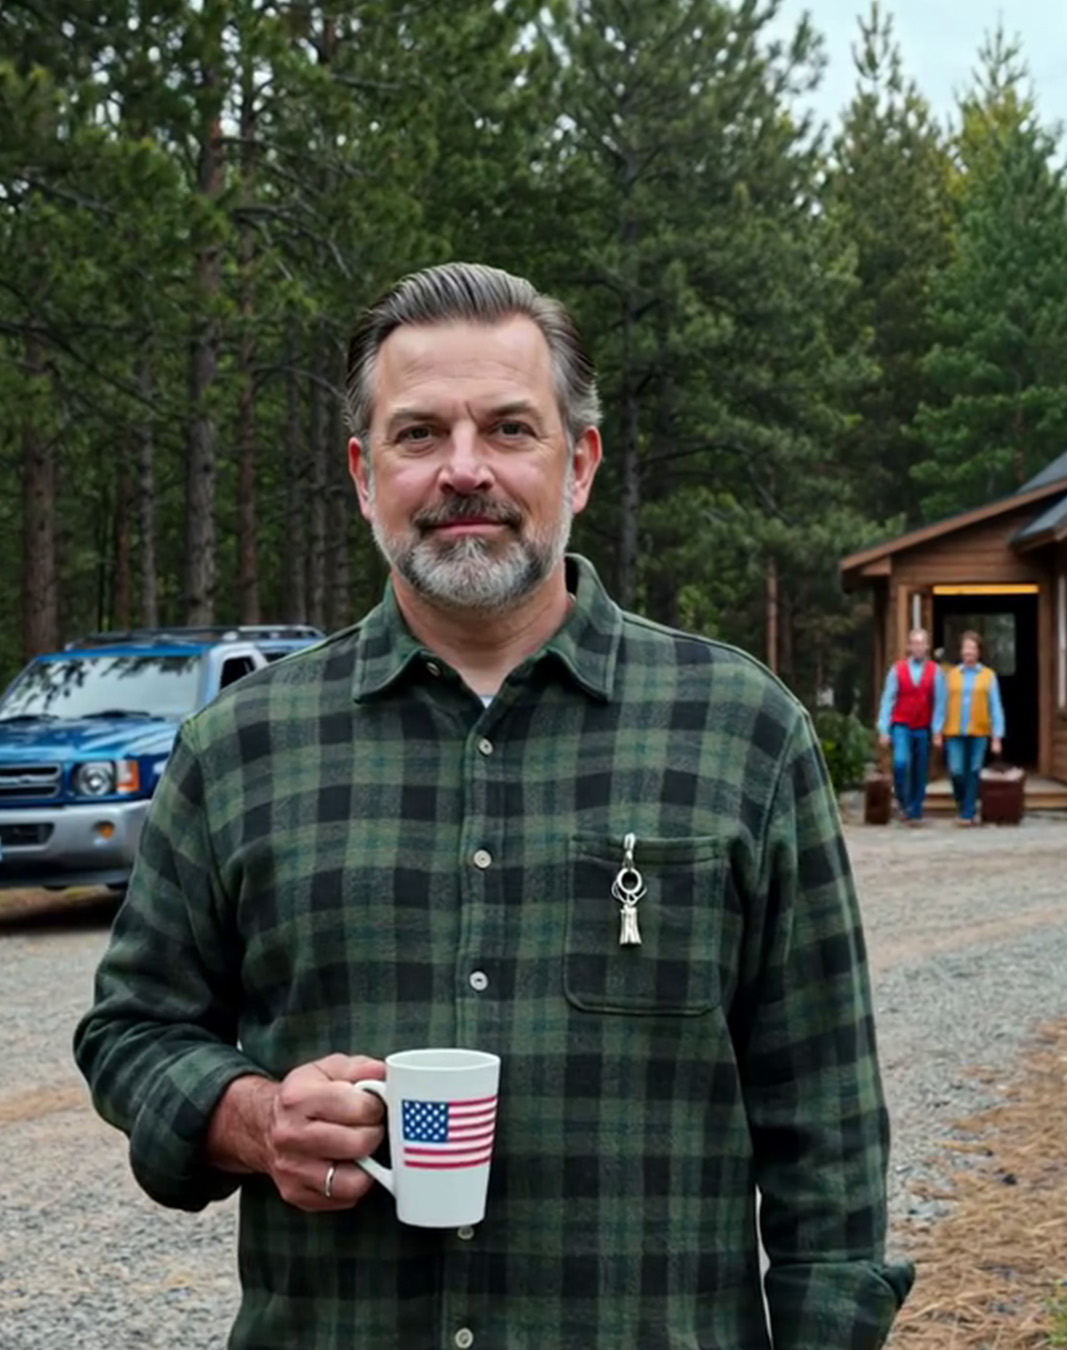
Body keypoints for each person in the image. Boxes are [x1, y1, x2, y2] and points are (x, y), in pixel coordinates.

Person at [74, 262, 913, 1349]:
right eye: (419, 434)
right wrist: (249, 1118)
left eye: (510, 429)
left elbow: (827, 1123)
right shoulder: (241, 747)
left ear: (581, 464)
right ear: (364, 474)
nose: (464, 470)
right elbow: (132, 1029)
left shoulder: (742, 732)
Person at [935, 629, 1005, 825]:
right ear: (961, 651)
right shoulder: (950, 675)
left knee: (974, 771)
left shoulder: (988, 676)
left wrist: (997, 737)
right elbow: (941, 704)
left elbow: (995, 707)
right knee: (957, 771)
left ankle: (968, 812)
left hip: (979, 731)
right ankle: (961, 801)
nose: (969, 652)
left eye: (972, 648)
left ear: (978, 652)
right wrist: (937, 730)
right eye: (966, 648)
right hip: (954, 731)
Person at [876, 627, 944, 825]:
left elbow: (940, 703)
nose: (918, 647)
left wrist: (937, 730)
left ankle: (915, 809)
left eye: (921, 643)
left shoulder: (935, 671)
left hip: (922, 726)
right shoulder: (897, 670)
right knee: (901, 763)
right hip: (901, 725)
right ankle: (903, 800)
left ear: (927, 647)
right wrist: (883, 729)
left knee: (920, 769)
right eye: (914, 643)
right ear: (909, 646)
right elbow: (888, 700)